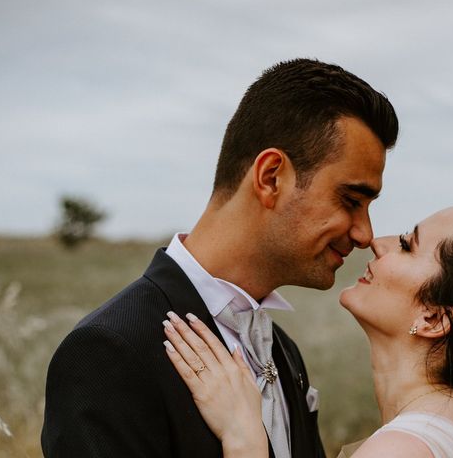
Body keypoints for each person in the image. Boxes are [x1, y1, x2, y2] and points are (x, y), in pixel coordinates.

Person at [41, 58, 399, 457]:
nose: (365, 233)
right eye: (350, 200)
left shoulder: (284, 353)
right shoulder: (109, 352)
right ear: (270, 178)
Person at [162, 199, 453, 458]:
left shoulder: (403, 450)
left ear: (434, 319)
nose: (378, 241)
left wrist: (244, 440)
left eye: (408, 244)